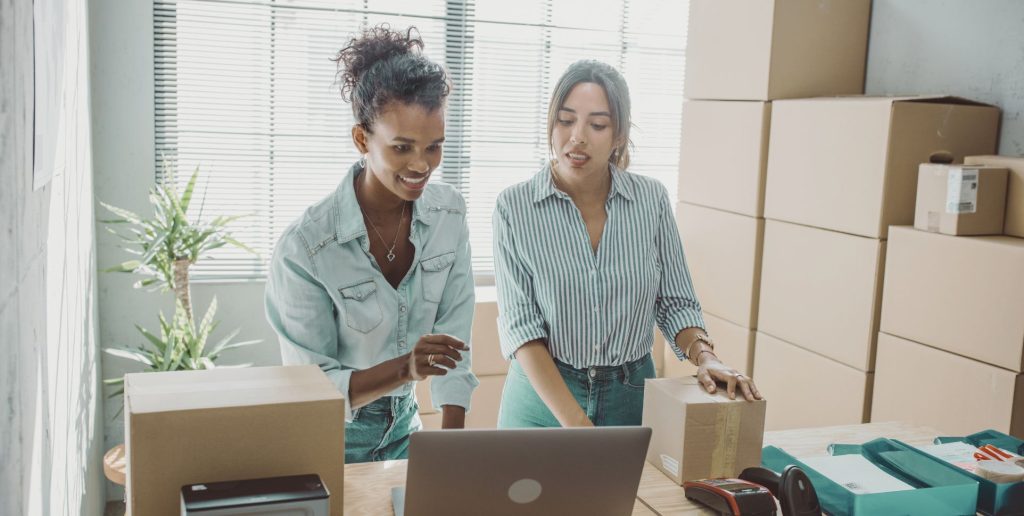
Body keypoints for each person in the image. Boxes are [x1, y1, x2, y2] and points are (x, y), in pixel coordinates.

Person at [493, 60, 761, 429]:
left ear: (619, 134)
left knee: (630, 490)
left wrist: (705, 357)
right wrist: (577, 424)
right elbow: (522, 328)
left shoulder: (650, 200)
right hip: (543, 401)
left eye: (597, 124)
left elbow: (675, 301)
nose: (578, 137)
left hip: (630, 395)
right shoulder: (514, 207)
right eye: (566, 120)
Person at [265, 25, 478, 462]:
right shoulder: (306, 248)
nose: (421, 165)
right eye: (402, 148)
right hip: (330, 438)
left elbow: (454, 349)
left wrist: (450, 456)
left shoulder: (450, 215)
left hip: (405, 427)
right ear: (362, 139)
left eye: (434, 147)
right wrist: (407, 368)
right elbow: (314, 388)